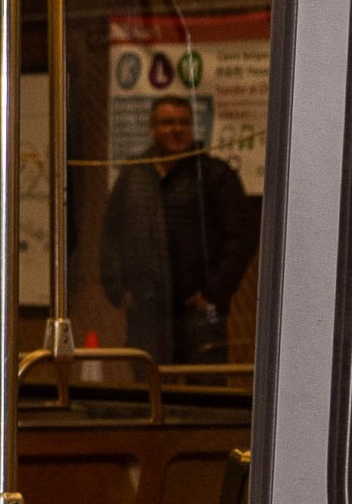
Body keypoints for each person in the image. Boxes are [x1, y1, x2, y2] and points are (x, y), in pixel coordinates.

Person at [98, 86, 257, 365]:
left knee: (201, 397)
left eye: (183, 122)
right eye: (167, 122)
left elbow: (241, 239)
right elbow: (111, 235)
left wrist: (213, 293)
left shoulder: (214, 174)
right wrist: (118, 292)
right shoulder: (134, 174)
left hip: (199, 312)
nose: (176, 130)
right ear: (152, 128)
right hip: (146, 313)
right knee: (150, 395)